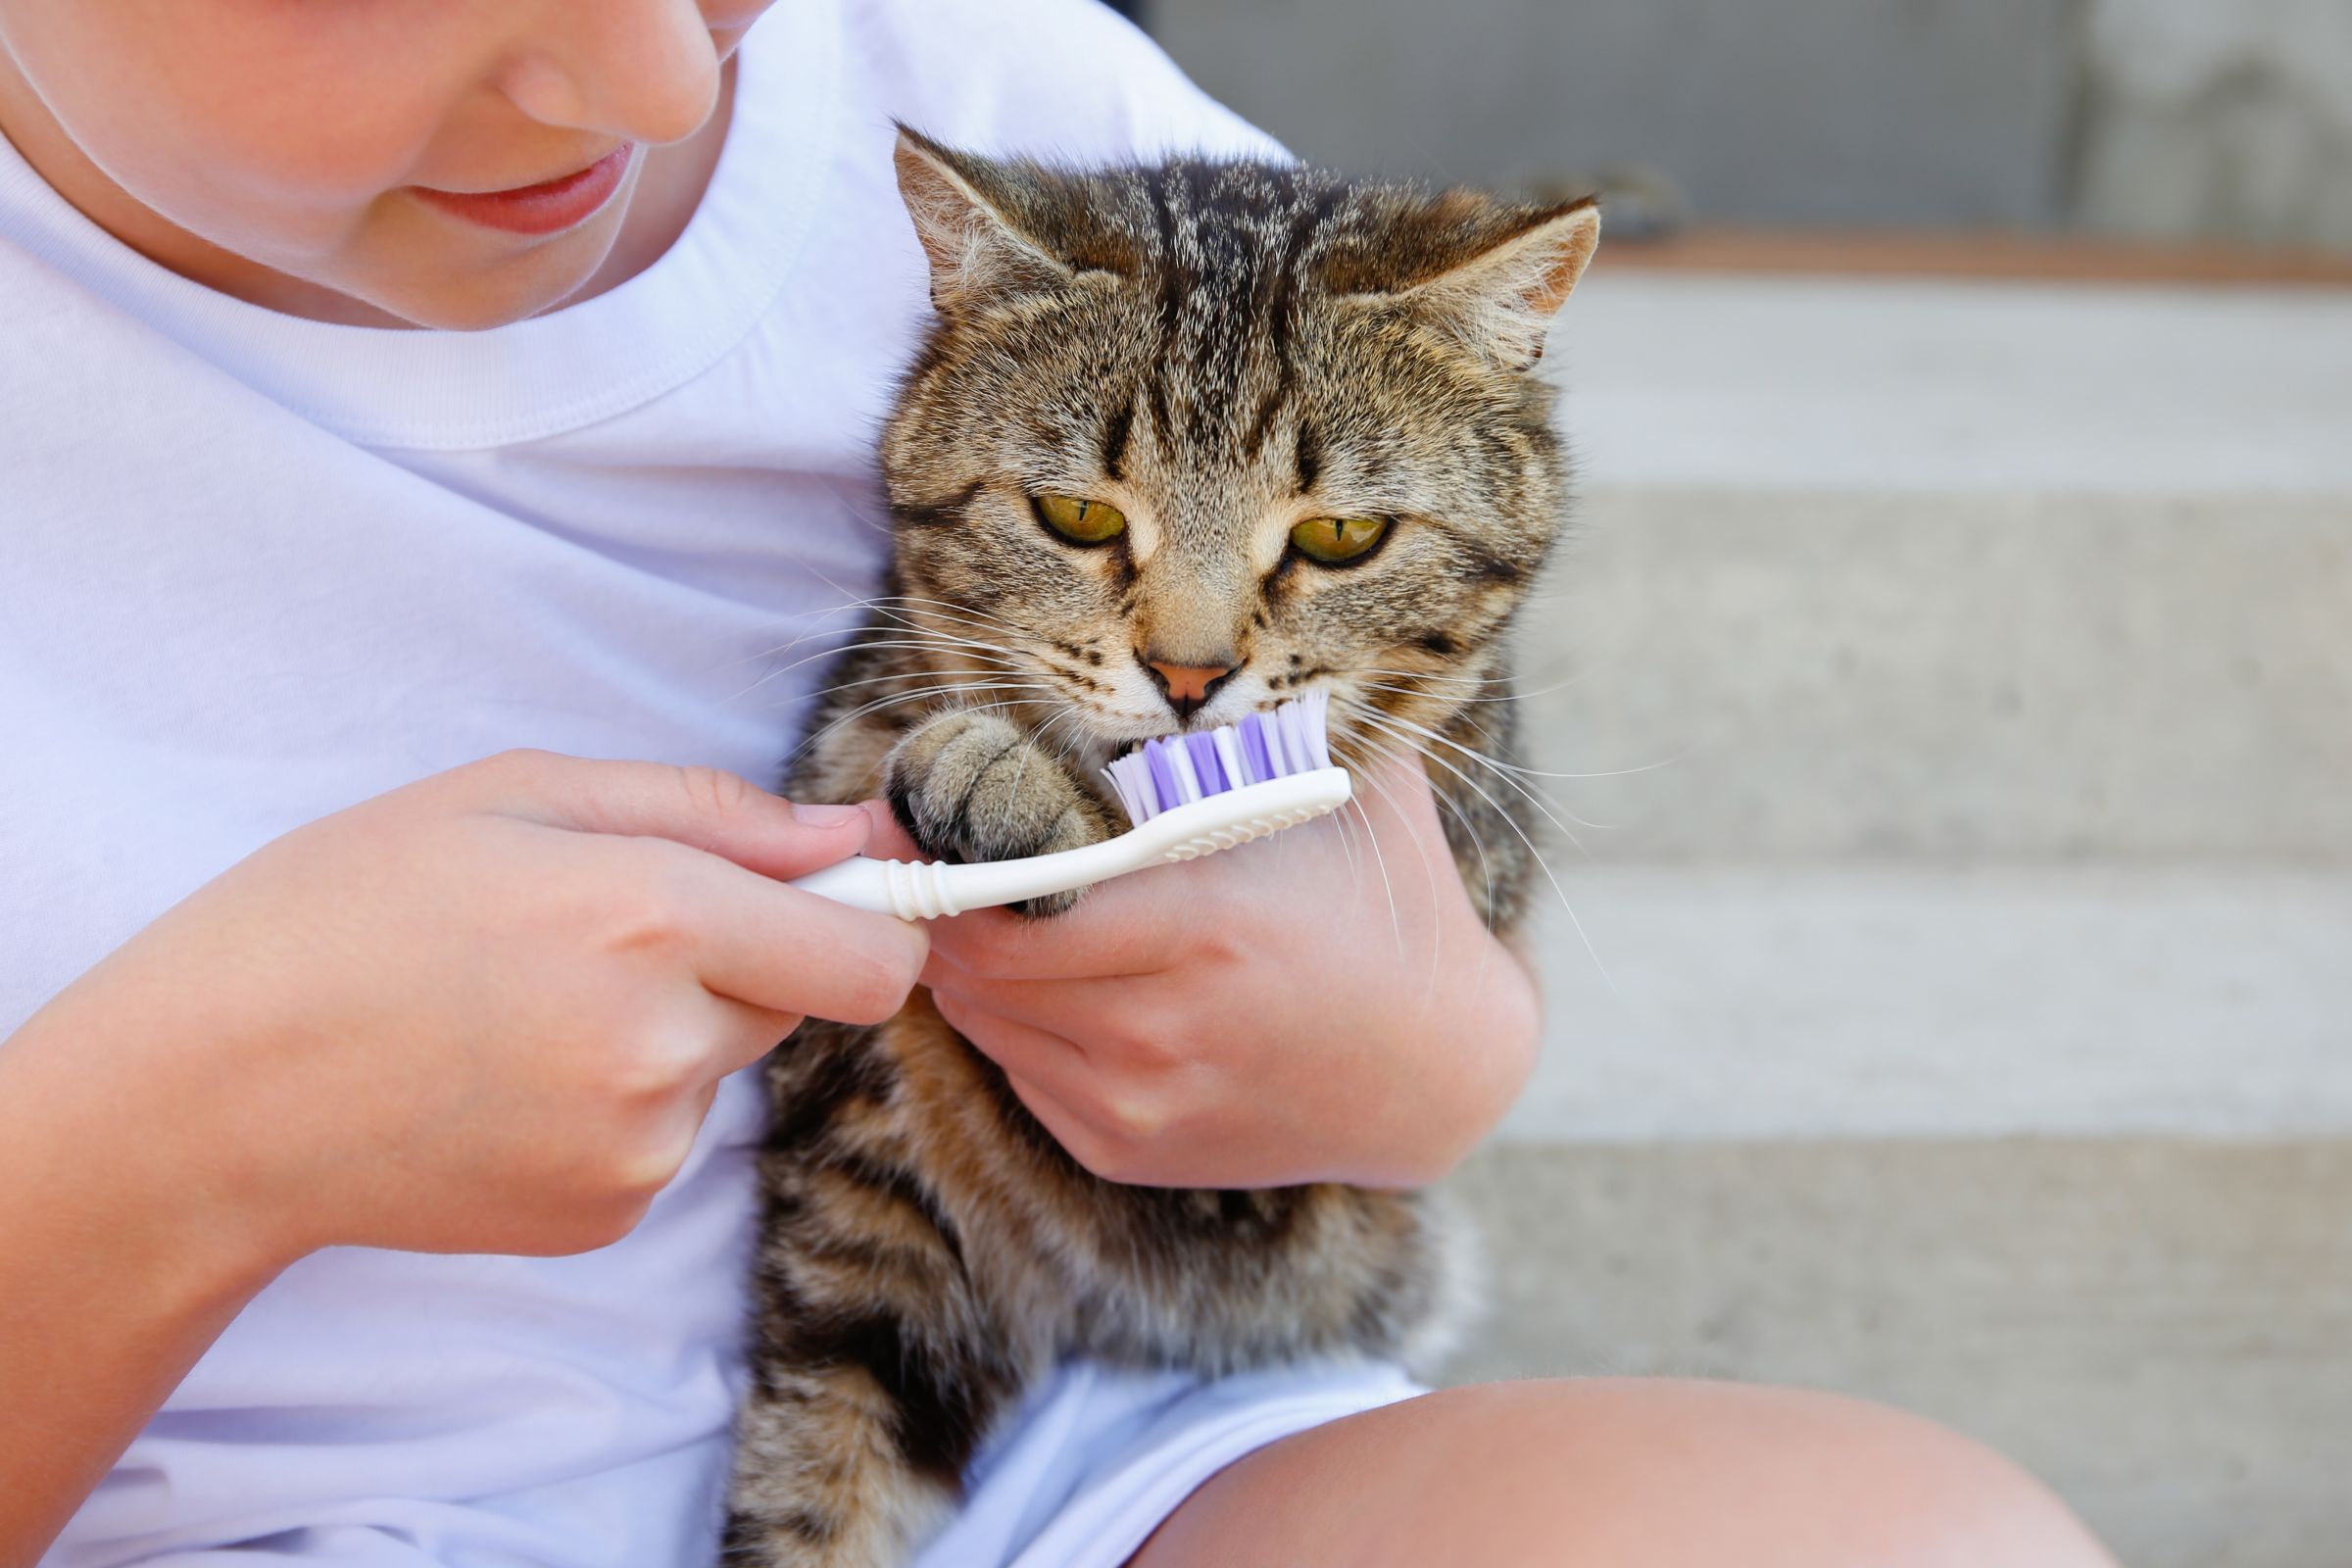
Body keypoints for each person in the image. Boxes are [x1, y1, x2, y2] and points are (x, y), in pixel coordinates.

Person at [0, 3, 2120, 1565]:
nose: (656, 80)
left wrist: (1408, 1054)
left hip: (1081, 1463)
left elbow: (1429, 927)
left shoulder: (1007, 110)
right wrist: (197, 1127)